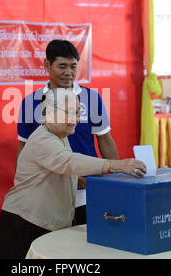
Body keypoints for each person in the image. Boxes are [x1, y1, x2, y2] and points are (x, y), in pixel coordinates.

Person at [0, 88, 146, 259]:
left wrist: (84, 182)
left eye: (77, 113)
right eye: (69, 113)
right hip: (23, 224)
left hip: (44, 224)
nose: (75, 119)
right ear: (50, 112)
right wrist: (115, 165)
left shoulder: (60, 136)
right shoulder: (43, 140)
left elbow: (61, 170)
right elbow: (69, 161)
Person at [16, 39, 119, 225]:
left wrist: (118, 178)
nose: (69, 73)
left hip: (87, 193)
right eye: (62, 66)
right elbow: (23, 146)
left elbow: (105, 141)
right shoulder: (30, 102)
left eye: (73, 66)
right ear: (47, 65)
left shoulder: (91, 98)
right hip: (48, 193)